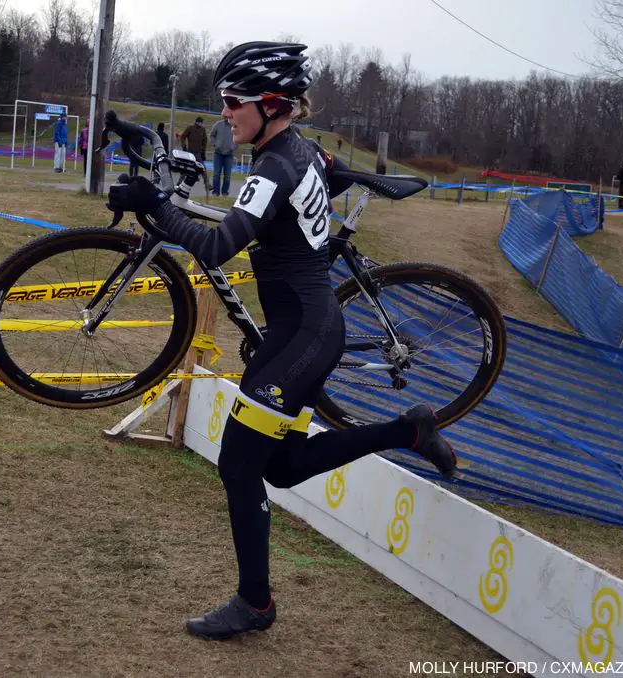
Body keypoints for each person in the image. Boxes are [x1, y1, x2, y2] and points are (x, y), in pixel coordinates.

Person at [106, 41, 456, 641]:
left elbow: (217, 248)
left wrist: (159, 208)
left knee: (240, 465)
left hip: (306, 335)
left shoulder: (276, 164)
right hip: (300, 331)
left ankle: (255, 602)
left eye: (232, 102)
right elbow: (288, 197)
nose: (224, 113)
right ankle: (410, 430)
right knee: (285, 469)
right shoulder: (297, 151)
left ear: (272, 104)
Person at [209, 117, 236, 196]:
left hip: (229, 155)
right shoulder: (218, 124)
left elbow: (238, 138)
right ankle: (215, 192)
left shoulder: (235, 126)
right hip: (218, 154)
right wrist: (215, 144)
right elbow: (212, 135)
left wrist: (233, 147)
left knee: (227, 176)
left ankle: (224, 192)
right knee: (216, 174)